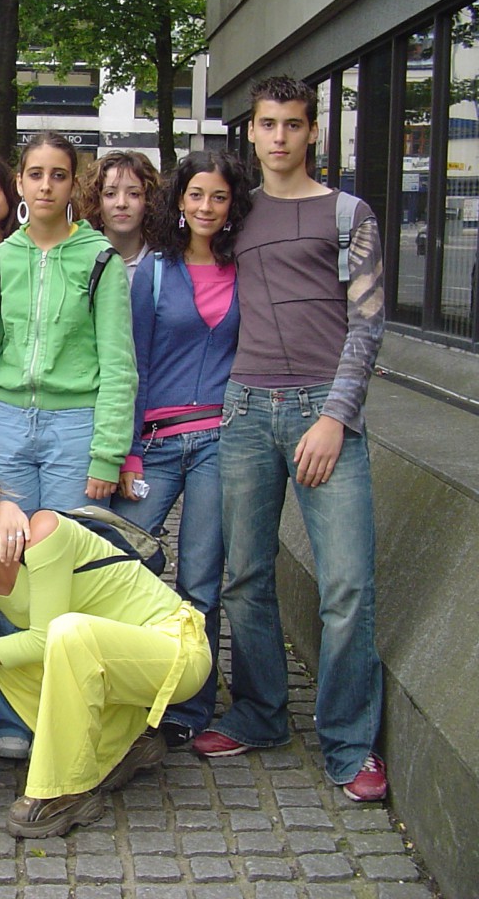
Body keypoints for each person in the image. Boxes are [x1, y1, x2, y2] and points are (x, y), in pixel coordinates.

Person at [191, 76, 388, 803]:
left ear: (312, 131)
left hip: (323, 412)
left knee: (347, 585)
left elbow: (367, 324)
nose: (279, 136)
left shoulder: (347, 213)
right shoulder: (235, 214)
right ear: (253, 130)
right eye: (268, 124)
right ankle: (260, 713)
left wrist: (336, 417)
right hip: (244, 410)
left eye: (293, 124)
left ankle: (349, 743)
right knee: (245, 575)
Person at [0, 447, 211, 839]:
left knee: (65, 633)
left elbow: (43, 639)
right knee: (8, 667)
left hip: (175, 650)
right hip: (112, 659)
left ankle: (64, 790)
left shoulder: (42, 532)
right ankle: (124, 743)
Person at [115, 150, 251, 746]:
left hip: (220, 441)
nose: (206, 207)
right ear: (179, 201)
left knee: (200, 581)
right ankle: (129, 686)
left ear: (232, 204)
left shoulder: (246, 268)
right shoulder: (155, 271)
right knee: (122, 559)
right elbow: (135, 366)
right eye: (196, 195)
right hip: (157, 445)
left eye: (219, 196)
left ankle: (190, 709)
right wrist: (129, 452)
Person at [0, 131, 137, 514]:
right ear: (19, 183)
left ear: (73, 184)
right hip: (6, 424)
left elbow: (119, 366)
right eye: (35, 174)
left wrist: (108, 454)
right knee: (9, 541)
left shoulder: (100, 259)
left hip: (76, 427)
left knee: (67, 542)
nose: (46, 186)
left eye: (58, 175)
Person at [78, 151, 164, 284]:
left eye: (133, 194)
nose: (121, 203)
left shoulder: (165, 264)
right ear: (96, 200)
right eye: (110, 194)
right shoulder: (80, 259)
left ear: (149, 199)